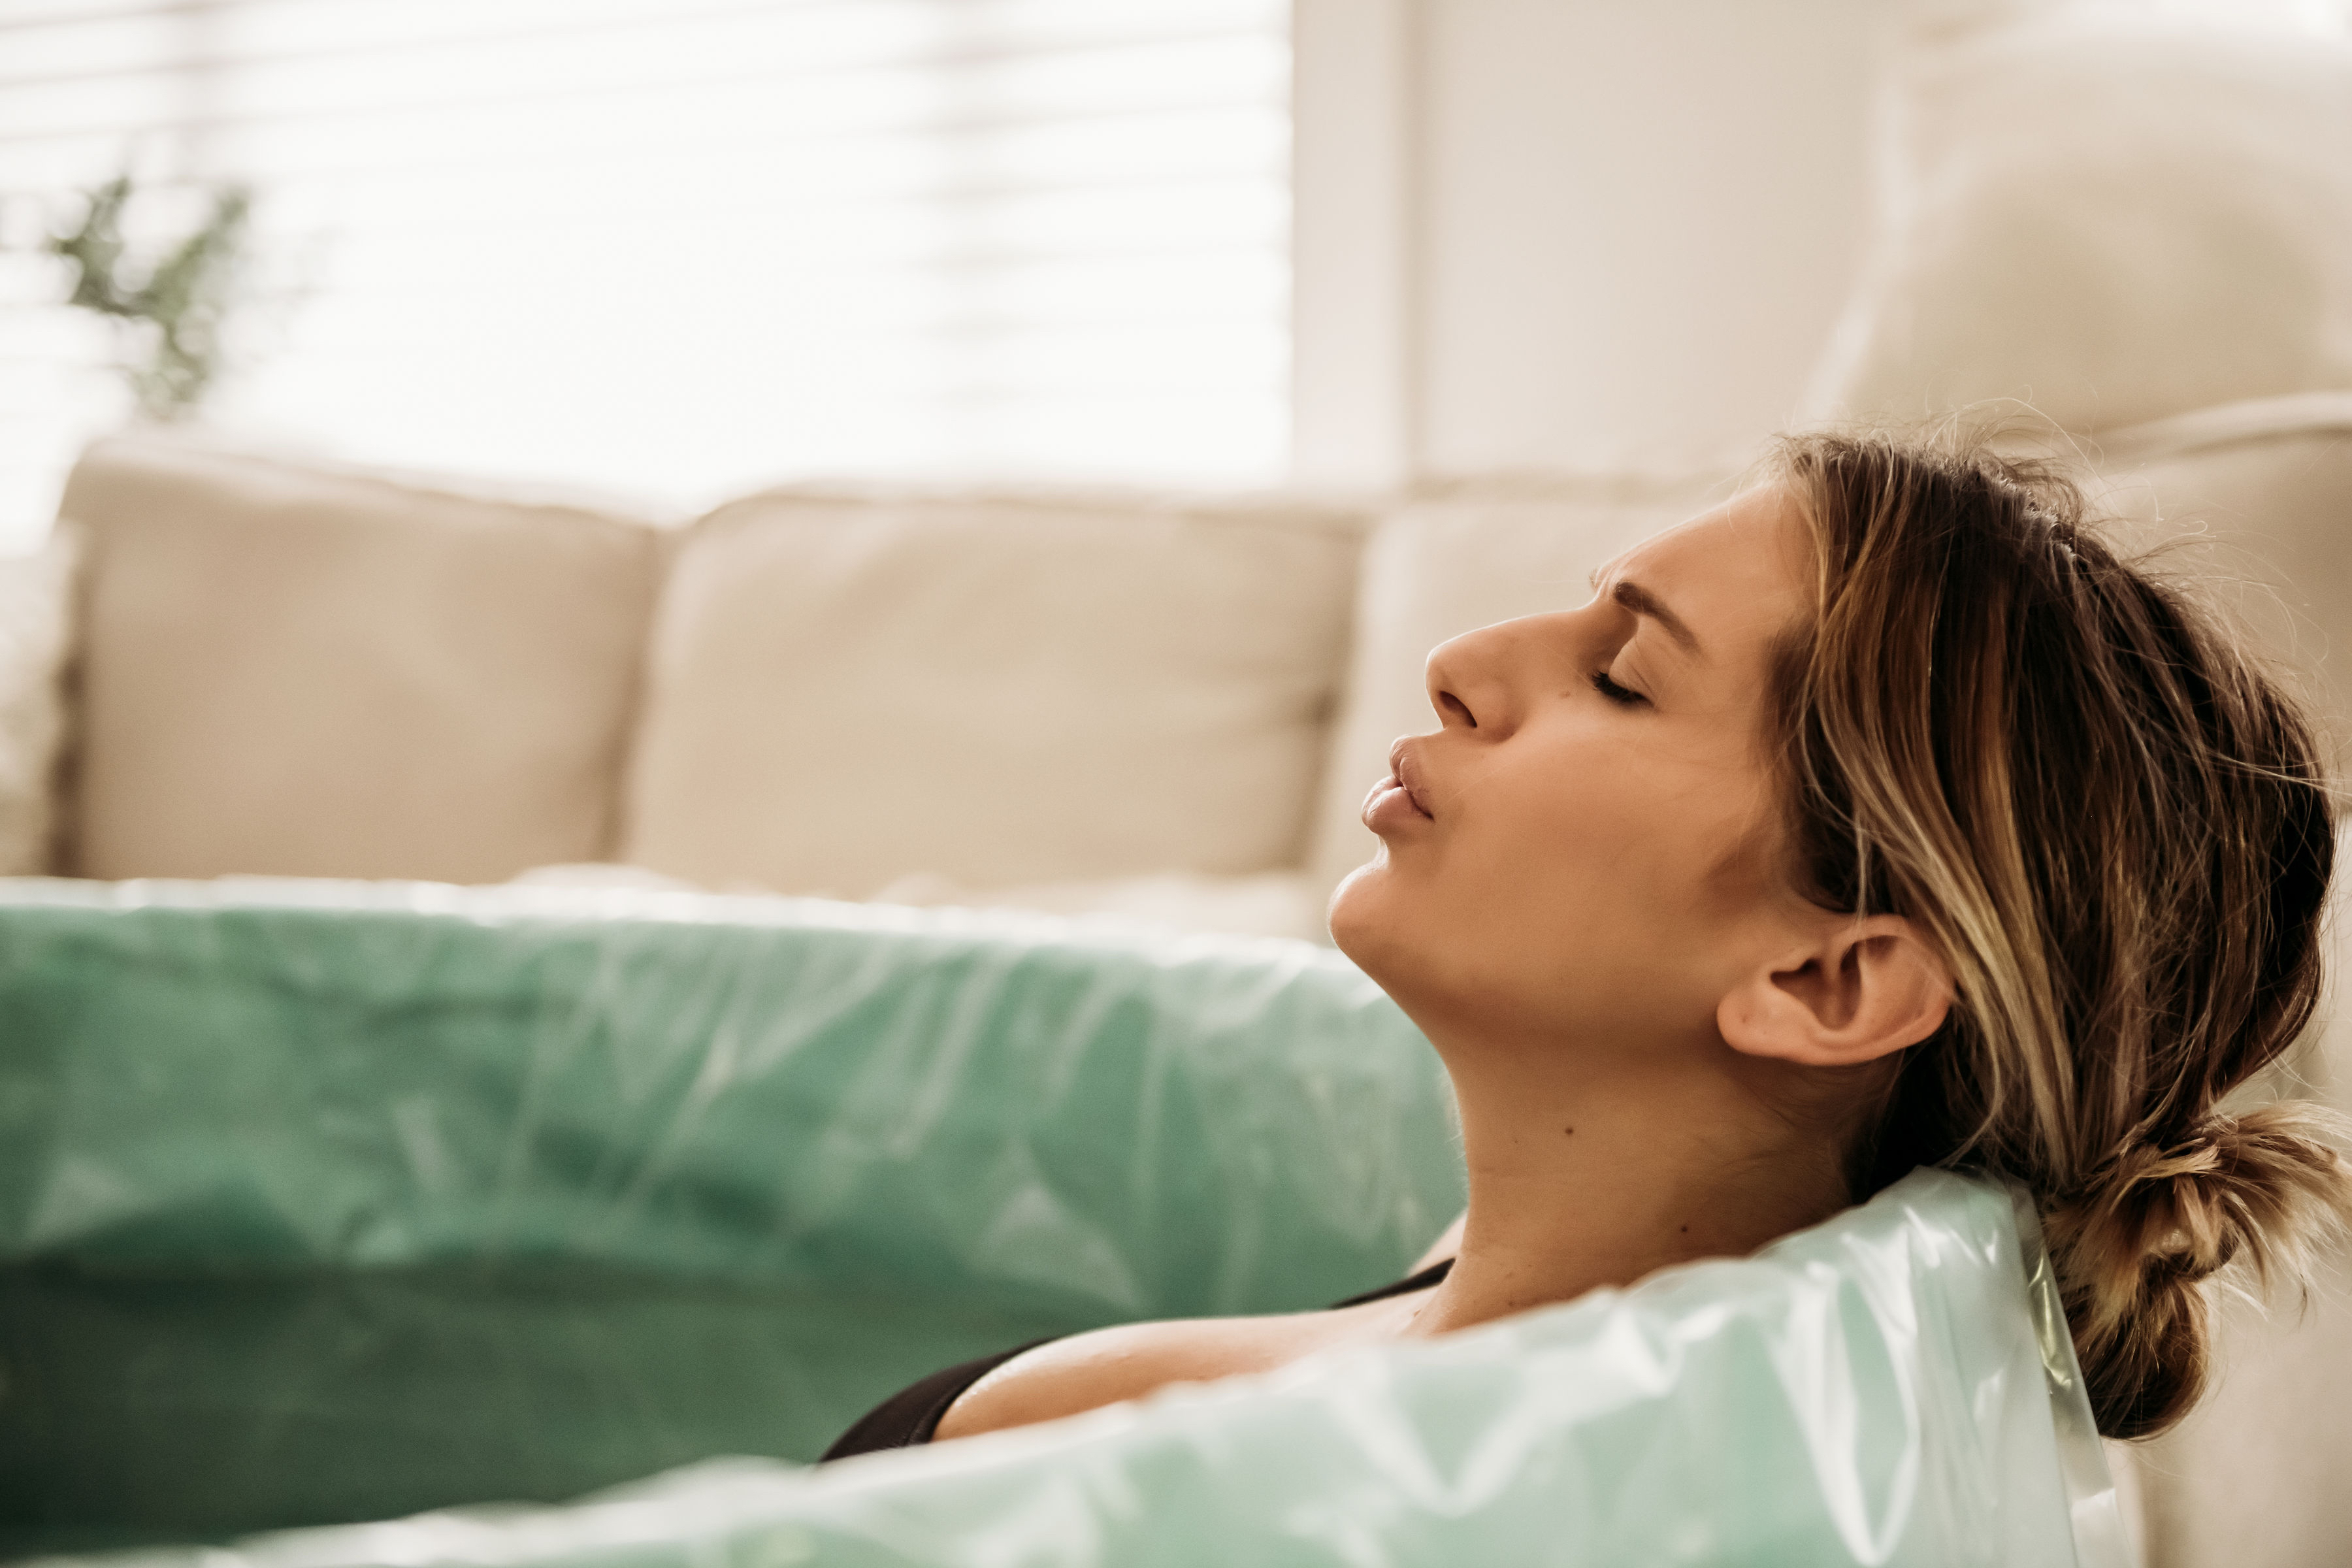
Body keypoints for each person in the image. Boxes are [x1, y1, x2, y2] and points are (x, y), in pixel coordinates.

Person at [826, 428, 2352, 1459]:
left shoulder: (1158, 1464)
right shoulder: (1614, 1322)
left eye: (1621, 676)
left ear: (1826, 979)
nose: (1466, 663)